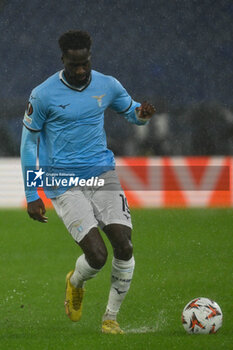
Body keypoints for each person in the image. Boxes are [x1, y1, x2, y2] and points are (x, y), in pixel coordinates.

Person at [20, 30, 155, 334]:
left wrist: (142, 115)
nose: (81, 71)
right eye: (74, 65)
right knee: (97, 255)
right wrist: (32, 192)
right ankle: (75, 281)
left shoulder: (107, 84)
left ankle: (110, 319)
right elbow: (29, 145)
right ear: (63, 60)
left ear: (90, 58)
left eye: (85, 64)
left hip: (102, 174)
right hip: (63, 181)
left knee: (124, 244)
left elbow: (131, 111)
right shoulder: (43, 94)